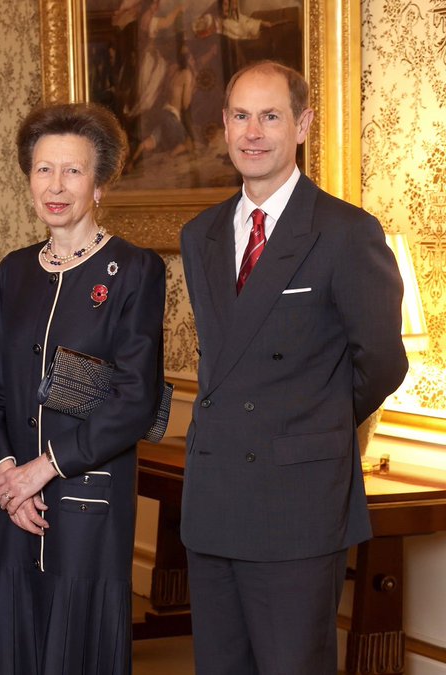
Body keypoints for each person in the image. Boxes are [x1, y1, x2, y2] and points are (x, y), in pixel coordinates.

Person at [179, 61, 407, 674]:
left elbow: (382, 361)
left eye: (271, 116)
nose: (254, 132)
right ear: (224, 125)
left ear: (302, 124)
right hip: (214, 503)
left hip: (297, 505)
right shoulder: (199, 234)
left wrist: (310, 424)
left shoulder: (345, 232)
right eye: (241, 116)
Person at [0, 102, 166, 675]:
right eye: (43, 170)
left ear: (100, 183)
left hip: (89, 503)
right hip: (16, 503)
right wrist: (8, 471)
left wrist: (42, 469)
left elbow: (134, 399)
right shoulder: (13, 272)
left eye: (73, 171)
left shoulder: (136, 269)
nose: (55, 186)